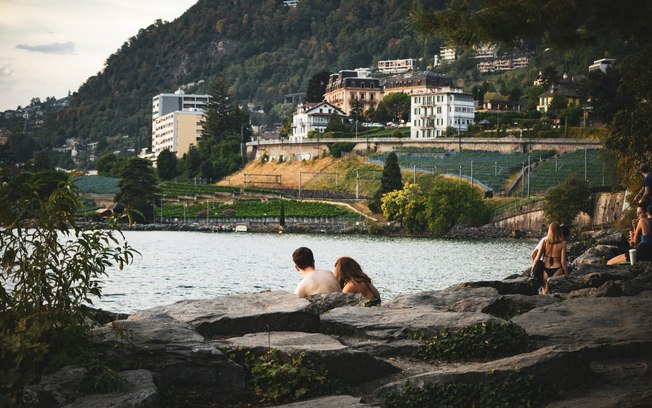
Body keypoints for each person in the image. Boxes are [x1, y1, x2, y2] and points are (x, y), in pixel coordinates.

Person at [532, 222, 568, 294]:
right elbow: (563, 262)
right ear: (559, 231)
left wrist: (533, 270)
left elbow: (537, 258)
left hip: (546, 269)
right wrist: (567, 275)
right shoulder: (563, 244)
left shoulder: (544, 242)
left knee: (544, 289)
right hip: (557, 269)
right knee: (553, 290)